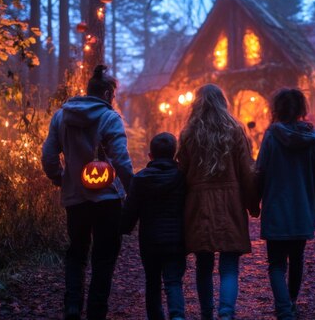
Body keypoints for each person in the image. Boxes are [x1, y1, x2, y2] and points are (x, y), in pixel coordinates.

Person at [41, 65, 133, 320]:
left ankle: (72, 306)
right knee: (104, 257)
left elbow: (49, 156)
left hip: (75, 198)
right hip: (108, 200)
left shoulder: (61, 116)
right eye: (112, 96)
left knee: (77, 251)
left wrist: (61, 178)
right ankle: (96, 312)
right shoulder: (109, 118)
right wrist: (133, 189)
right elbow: (121, 159)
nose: (113, 101)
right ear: (106, 93)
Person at [176, 84, 259, 320]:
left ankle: (206, 314)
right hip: (229, 203)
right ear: (223, 103)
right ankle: (226, 313)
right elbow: (246, 172)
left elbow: (181, 173)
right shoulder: (235, 130)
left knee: (203, 265)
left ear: (197, 104)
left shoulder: (189, 133)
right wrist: (253, 204)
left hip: (198, 204)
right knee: (230, 265)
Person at [255, 88, 315, 320]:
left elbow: (260, 172)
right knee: (297, 259)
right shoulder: (312, 141)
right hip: (302, 209)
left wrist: (254, 202)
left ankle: (284, 309)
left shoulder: (270, 137)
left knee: (276, 263)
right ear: (301, 109)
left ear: (276, 109)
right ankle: (291, 302)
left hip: (276, 209)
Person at [121, 132, 187, 320]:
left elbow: (130, 208)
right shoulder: (182, 177)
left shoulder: (140, 179)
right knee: (174, 281)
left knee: (152, 282)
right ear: (174, 154)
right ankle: (177, 316)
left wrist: (123, 227)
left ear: (150, 155)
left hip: (150, 241)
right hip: (176, 239)